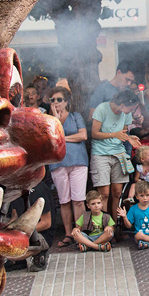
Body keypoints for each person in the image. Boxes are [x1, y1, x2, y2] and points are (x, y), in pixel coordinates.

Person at [90, 89, 143, 217]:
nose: (131, 112)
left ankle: (113, 227)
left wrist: (129, 138)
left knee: (117, 192)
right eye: (130, 109)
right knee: (104, 194)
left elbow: (123, 134)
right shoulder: (102, 109)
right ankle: (103, 226)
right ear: (122, 105)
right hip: (101, 153)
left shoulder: (126, 114)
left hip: (118, 153)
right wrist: (113, 134)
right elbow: (94, 133)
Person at [47, 86, 88, 248]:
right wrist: (56, 118)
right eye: (52, 100)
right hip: (58, 163)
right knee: (64, 200)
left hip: (78, 161)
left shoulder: (75, 116)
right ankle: (67, 233)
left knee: (78, 200)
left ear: (66, 102)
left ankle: (80, 232)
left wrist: (62, 138)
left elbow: (83, 135)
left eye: (59, 100)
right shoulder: (49, 119)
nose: (56, 103)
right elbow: (50, 139)